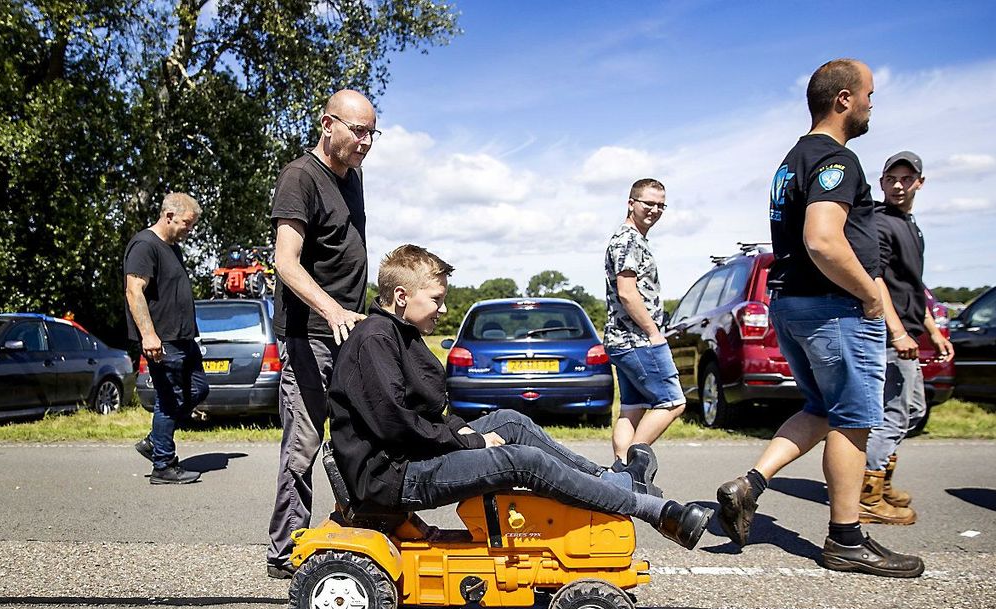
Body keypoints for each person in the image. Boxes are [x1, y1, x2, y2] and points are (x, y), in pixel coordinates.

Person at [328, 244, 715, 552]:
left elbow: (428, 414)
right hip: (392, 476)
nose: (443, 309)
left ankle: (611, 479)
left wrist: (466, 432)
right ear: (401, 295)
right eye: (436, 299)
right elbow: (397, 424)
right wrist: (471, 439)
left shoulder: (398, 332)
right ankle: (654, 511)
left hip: (411, 455)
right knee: (521, 461)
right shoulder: (376, 340)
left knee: (510, 422)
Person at [715, 59, 925, 577]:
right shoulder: (837, 160)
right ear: (844, 100)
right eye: (870, 94)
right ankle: (847, 540)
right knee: (853, 419)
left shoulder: (790, 161)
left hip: (791, 304)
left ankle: (750, 485)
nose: (874, 103)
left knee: (822, 408)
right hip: (833, 308)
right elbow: (823, 238)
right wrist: (871, 298)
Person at [266, 89, 378, 579]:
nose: (366, 142)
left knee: (357, 436)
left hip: (349, 332)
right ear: (327, 123)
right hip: (309, 333)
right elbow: (285, 262)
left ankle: (351, 532)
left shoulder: (353, 176)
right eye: (358, 131)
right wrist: (332, 309)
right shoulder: (299, 177)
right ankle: (285, 550)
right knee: (304, 444)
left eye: (373, 133)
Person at [862, 151, 954, 525]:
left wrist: (932, 331)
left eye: (906, 179)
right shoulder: (880, 224)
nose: (898, 185)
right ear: (881, 182)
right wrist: (896, 331)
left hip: (911, 333)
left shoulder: (910, 225)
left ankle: (881, 482)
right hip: (889, 336)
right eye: (891, 179)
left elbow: (914, 287)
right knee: (893, 416)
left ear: (920, 182)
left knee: (913, 411)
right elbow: (876, 279)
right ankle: (867, 498)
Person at [124, 192, 209, 485]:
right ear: (168, 215)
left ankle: (154, 441)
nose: (190, 229)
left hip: (183, 338)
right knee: (168, 400)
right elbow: (134, 291)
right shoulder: (144, 245)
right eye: (187, 223)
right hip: (163, 340)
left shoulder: (173, 248)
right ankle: (163, 464)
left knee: (199, 388)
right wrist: (148, 335)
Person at [603, 178, 686, 469]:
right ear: (631, 203)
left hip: (622, 341)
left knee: (632, 409)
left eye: (661, 205)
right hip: (637, 340)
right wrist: (654, 332)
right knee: (673, 403)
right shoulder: (628, 241)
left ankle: (620, 473)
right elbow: (627, 292)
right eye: (648, 203)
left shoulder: (631, 239)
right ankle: (633, 468)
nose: (655, 210)